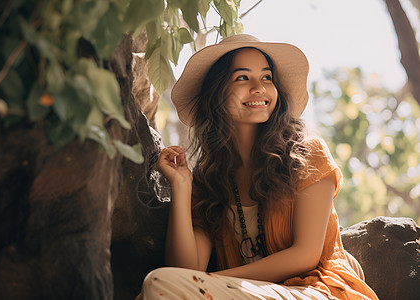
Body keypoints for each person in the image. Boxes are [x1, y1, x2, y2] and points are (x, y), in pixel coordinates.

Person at [138, 34, 378, 299]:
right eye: (243, 77)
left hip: (315, 291)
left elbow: (305, 255)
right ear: (216, 94)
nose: (259, 87)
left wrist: (206, 281)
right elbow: (185, 269)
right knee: (160, 284)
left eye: (267, 77)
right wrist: (182, 186)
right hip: (245, 294)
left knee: (160, 283)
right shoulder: (211, 183)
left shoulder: (306, 154)